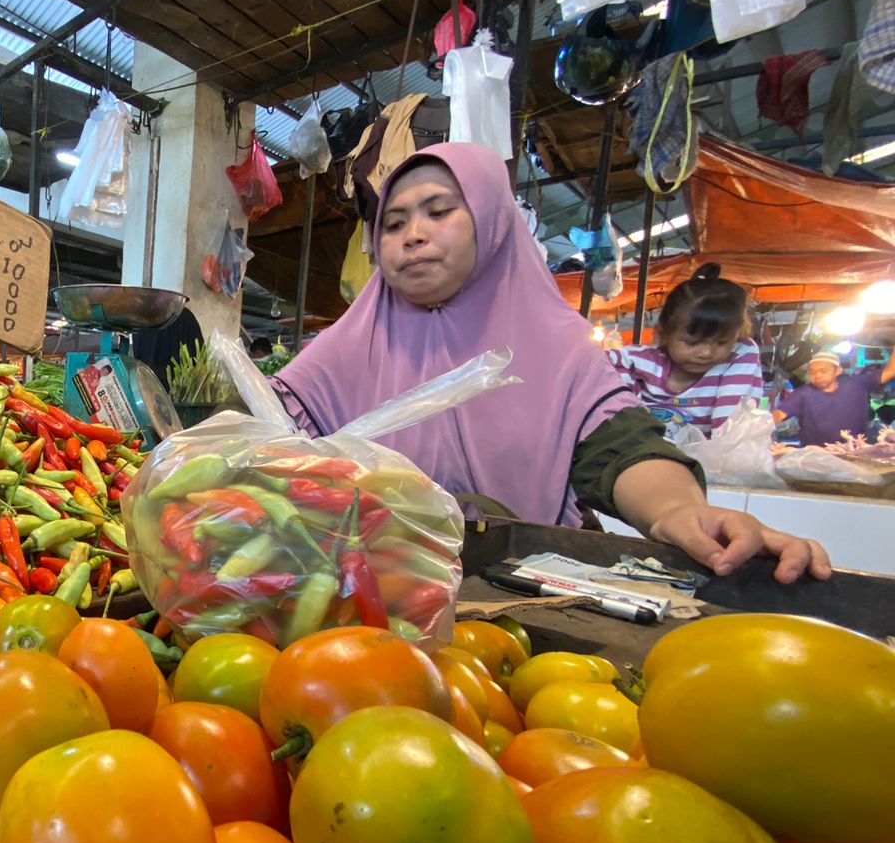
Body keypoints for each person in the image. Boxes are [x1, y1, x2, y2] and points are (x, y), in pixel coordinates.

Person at [272, 142, 829, 583]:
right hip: (366, 595)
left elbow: (619, 449)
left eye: (438, 212)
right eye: (392, 225)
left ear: (494, 224)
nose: (411, 236)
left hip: (513, 599)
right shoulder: (341, 350)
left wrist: (679, 513)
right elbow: (259, 437)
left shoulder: (557, 348)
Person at [607, 265, 765, 432]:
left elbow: (731, 433)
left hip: (708, 456)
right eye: (692, 343)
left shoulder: (739, 355)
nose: (706, 353)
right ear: (665, 334)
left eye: (722, 342)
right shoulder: (638, 362)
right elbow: (598, 367)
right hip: (643, 453)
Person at [772, 350, 895, 445]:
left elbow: (890, 371)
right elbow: (779, 414)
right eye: (813, 372)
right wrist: (759, 423)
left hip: (854, 453)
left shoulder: (857, 384)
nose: (817, 375)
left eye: (823, 371)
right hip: (815, 456)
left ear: (838, 371)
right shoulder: (803, 393)